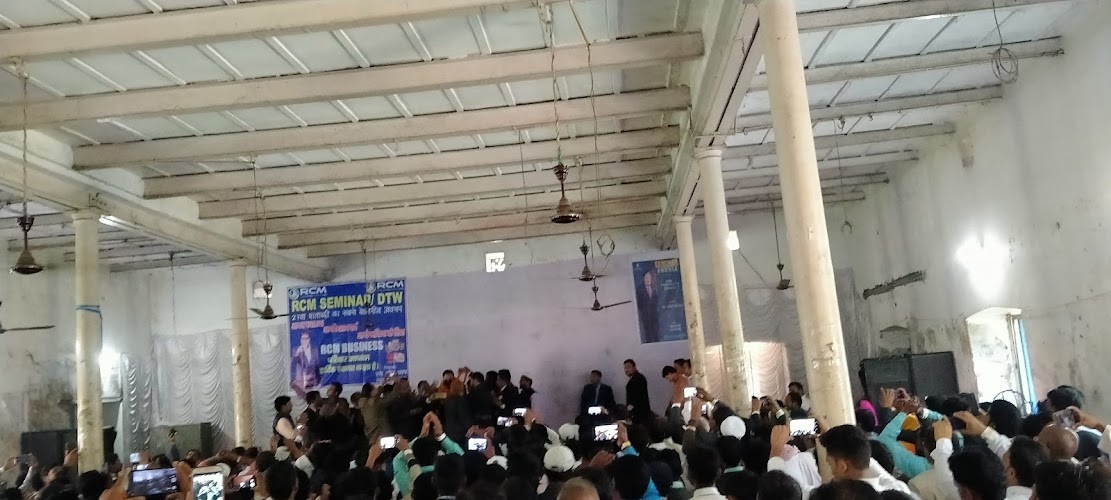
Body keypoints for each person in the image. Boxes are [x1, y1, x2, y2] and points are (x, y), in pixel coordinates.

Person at [635, 270, 660, 343]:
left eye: (649, 278)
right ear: (643, 279)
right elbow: (639, 304)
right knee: (648, 336)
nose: (648, 279)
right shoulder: (639, 290)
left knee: (656, 336)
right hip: (645, 318)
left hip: (655, 317)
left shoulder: (655, 288)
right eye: (646, 278)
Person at [623, 360, 651, 424]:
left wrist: (629, 408)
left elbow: (637, 397)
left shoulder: (638, 378)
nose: (626, 370)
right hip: (639, 412)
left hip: (639, 413)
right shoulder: (636, 378)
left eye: (628, 367)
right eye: (625, 368)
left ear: (634, 367)